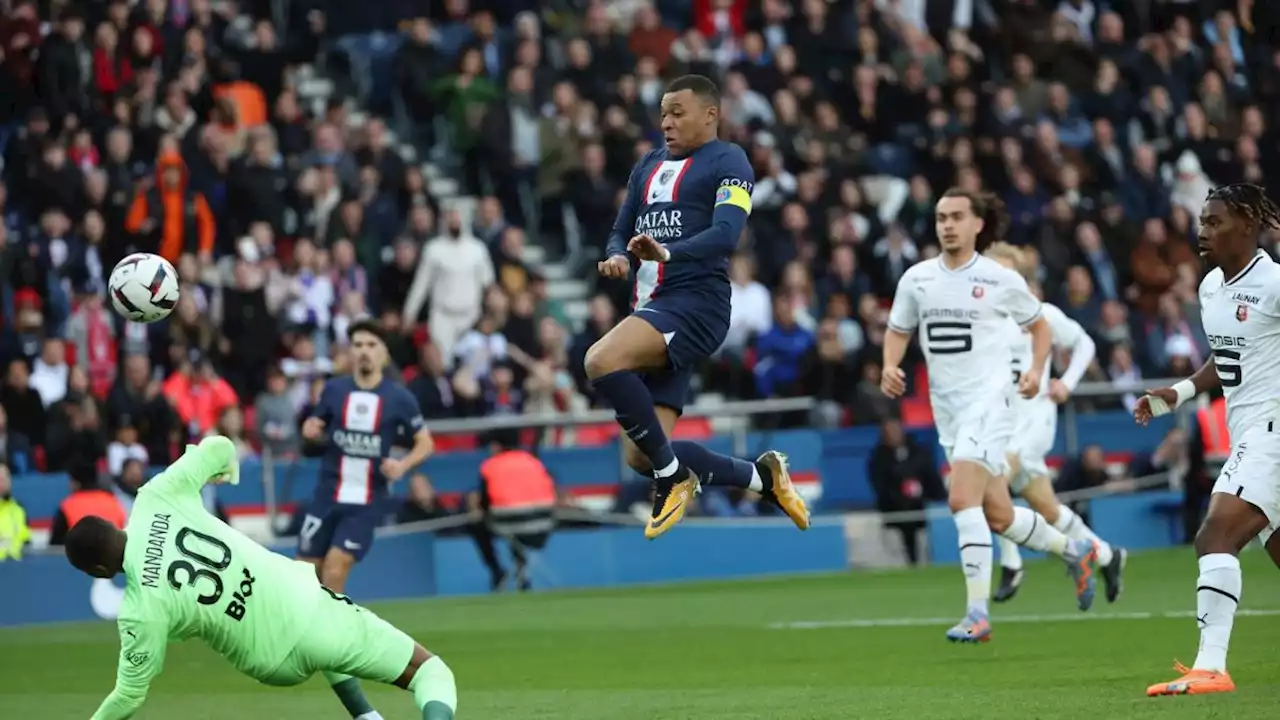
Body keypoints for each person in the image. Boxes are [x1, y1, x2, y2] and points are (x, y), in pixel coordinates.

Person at [62, 436, 458, 720]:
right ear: (116, 525)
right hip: (303, 604)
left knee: (328, 644)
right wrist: (226, 469)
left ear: (99, 571)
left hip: (269, 661)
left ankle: (366, 717)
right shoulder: (155, 497)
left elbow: (128, 697)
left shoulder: (139, 610)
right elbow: (219, 446)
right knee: (431, 673)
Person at [583, 73, 809, 539]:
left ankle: (674, 480)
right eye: (663, 113)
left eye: (677, 113)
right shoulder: (647, 165)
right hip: (651, 310)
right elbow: (620, 228)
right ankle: (762, 478)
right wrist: (616, 257)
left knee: (599, 360)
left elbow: (727, 233)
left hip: (694, 305)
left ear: (711, 115)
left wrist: (669, 253)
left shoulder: (730, 161)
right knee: (642, 455)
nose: (666, 122)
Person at [881, 188, 1099, 643]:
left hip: (991, 404)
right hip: (949, 411)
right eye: (941, 217)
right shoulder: (917, 279)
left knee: (962, 500)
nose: (947, 225)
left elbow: (1040, 326)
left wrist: (1038, 370)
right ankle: (1074, 550)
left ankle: (977, 614)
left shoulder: (1000, 279)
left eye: (957, 216)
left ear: (978, 224)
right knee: (999, 515)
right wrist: (889, 365)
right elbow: (898, 329)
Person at [1135, 183, 1280, 696]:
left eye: (1215, 222)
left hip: (1272, 432)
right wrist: (1177, 393)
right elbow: (1226, 359)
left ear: (1248, 224)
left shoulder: (1275, 283)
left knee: (1214, 536)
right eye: (1201, 221)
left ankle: (1211, 666)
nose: (1202, 232)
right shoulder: (1212, 288)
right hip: (1250, 429)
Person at [983, 243, 1128, 604]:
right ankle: (1109, 556)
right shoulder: (984, 321)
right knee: (1047, 509)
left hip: (1035, 419)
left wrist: (1068, 382)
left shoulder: (1041, 314)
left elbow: (1085, 344)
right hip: (1002, 422)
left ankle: (1013, 565)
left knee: (991, 481)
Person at [298, 320, 436, 592]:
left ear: (383, 353)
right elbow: (313, 426)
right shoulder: (334, 390)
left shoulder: (399, 398)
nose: (364, 351)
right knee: (304, 572)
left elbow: (426, 443)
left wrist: (403, 465)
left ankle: (329, 634)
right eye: (358, 345)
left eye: (371, 345)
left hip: (366, 500)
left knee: (335, 567)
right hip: (327, 495)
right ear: (350, 352)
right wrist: (309, 429)